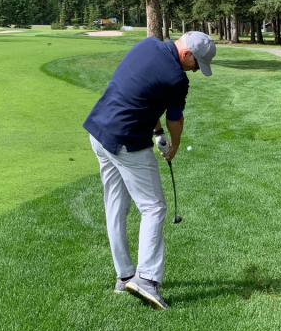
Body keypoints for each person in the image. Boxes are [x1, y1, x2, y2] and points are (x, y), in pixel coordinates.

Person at [83, 31, 216, 310]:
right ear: (187, 53)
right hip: (126, 141)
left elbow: (143, 94)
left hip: (98, 132)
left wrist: (157, 134)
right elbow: (175, 120)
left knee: (115, 207)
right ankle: (147, 279)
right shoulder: (177, 79)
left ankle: (124, 276)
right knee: (154, 207)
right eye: (197, 64)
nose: (195, 70)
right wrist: (174, 145)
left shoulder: (147, 45)